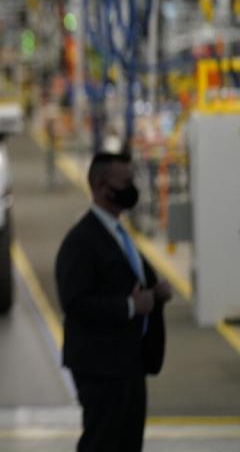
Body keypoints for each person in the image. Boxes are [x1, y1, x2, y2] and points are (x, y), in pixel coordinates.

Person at [55, 152, 172, 452]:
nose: (132, 187)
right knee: (103, 442)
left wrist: (155, 292)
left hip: (128, 361)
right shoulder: (80, 242)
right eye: (126, 181)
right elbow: (74, 302)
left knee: (128, 442)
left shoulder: (120, 234)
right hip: (100, 365)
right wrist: (131, 307)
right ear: (101, 186)